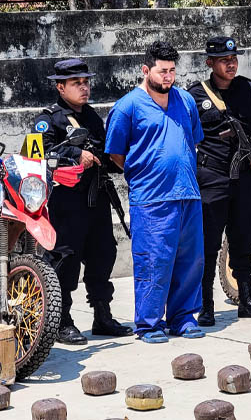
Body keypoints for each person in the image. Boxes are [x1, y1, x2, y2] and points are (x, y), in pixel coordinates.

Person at [106, 41, 206, 344]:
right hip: (151, 198)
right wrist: (148, 170)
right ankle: (149, 324)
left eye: (173, 70)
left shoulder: (186, 101)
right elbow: (116, 154)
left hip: (187, 192)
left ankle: (183, 318)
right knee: (154, 261)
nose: (169, 77)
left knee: (190, 261)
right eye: (163, 71)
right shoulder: (128, 107)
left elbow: (194, 140)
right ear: (145, 70)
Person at [33, 58, 133, 345]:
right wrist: (75, 156)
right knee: (65, 261)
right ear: (60, 87)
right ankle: (62, 321)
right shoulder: (48, 120)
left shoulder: (91, 117)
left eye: (86, 82)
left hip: (97, 198)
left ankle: (103, 315)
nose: (84, 87)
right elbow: (37, 156)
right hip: (66, 202)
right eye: (77, 83)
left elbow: (105, 151)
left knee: (103, 256)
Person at [186, 37, 251, 326]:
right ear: (209, 63)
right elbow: (186, 137)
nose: (231, 63)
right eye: (224, 59)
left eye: (234, 58)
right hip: (211, 176)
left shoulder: (248, 89)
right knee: (209, 243)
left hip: (243, 176)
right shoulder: (194, 95)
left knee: (244, 239)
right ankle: (206, 305)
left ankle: (247, 300)